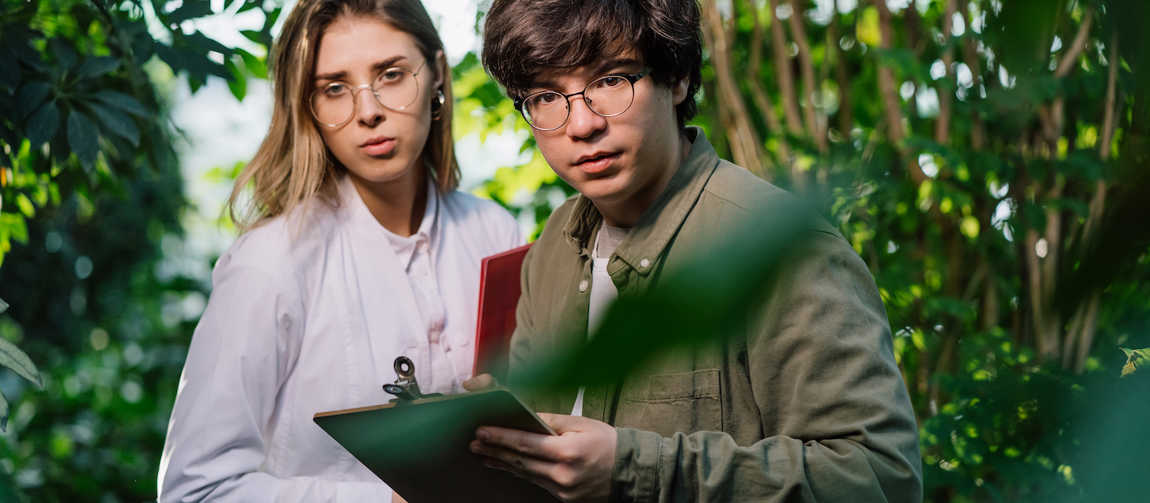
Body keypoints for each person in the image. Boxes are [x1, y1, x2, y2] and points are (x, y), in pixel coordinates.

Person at [465, 0, 923, 501]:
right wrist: (497, 439)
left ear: (677, 77)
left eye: (611, 81)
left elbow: (880, 478)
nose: (580, 125)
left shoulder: (782, 250)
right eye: (547, 95)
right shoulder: (555, 242)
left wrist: (638, 469)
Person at [157, 0, 520, 500]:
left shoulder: (495, 233)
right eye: (334, 89)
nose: (368, 111)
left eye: (391, 74)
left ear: (437, 73)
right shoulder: (270, 262)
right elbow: (194, 490)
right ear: (307, 108)